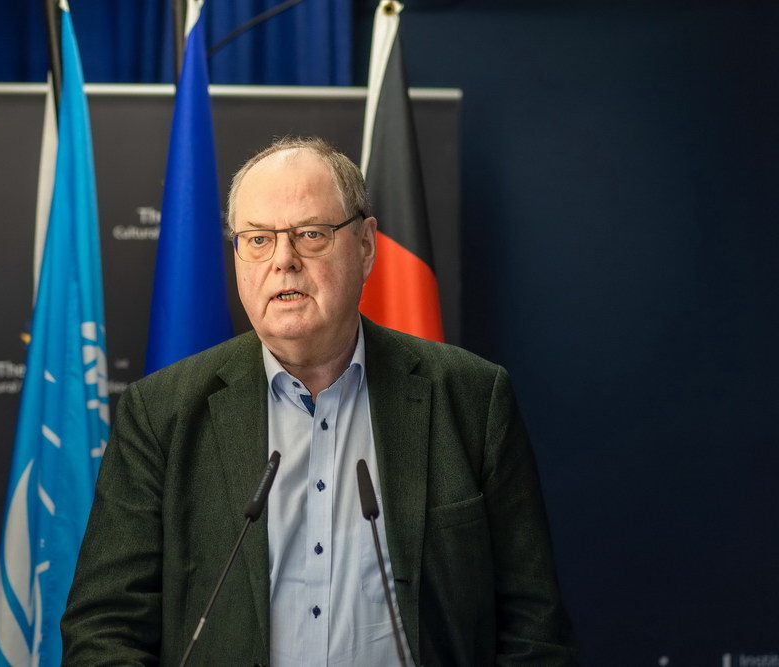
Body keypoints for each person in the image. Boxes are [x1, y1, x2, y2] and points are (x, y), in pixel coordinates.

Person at [61, 137, 577, 666]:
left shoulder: (471, 399)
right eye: (258, 239)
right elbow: (103, 630)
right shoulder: (160, 413)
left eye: (310, 234)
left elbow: (534, 629)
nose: (283, 261)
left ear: (365, 246)